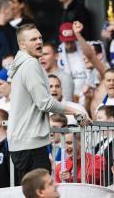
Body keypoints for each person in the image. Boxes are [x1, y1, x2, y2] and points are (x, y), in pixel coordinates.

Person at [8, 23, 90, 185]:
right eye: (33, 39)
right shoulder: (30, 64)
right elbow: (44, 102)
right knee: (41, 192)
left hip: (23, 144)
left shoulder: (21, 64)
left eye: (40, 38)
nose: (39, 42)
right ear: (22, 45)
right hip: (30, 145)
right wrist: (74, 111)